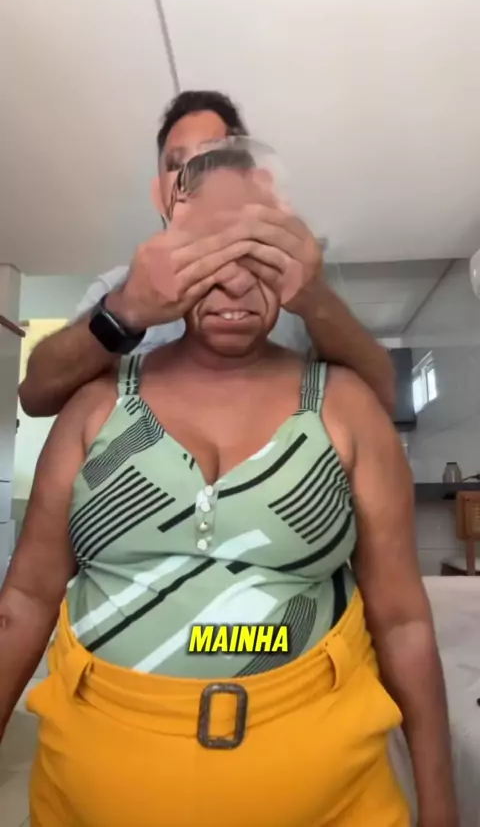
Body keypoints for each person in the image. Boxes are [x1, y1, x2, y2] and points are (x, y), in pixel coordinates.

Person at [0, 156, 457, 827]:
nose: (236, 280)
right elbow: (23, 602)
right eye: (209, 250)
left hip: (335, 796)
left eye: (261, 250)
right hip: (91, 791)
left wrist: (441, 808)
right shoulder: (97, 406)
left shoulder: (345, 405)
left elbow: (404, 622)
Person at [18, 90, 395, 419]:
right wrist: (124, 312)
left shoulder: (293, 277)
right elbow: (35, 397)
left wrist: (316, 302)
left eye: (211, 157)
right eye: (176, 163)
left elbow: (383, 398)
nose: (192, 173)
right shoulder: (119, 285)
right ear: (161, 191)